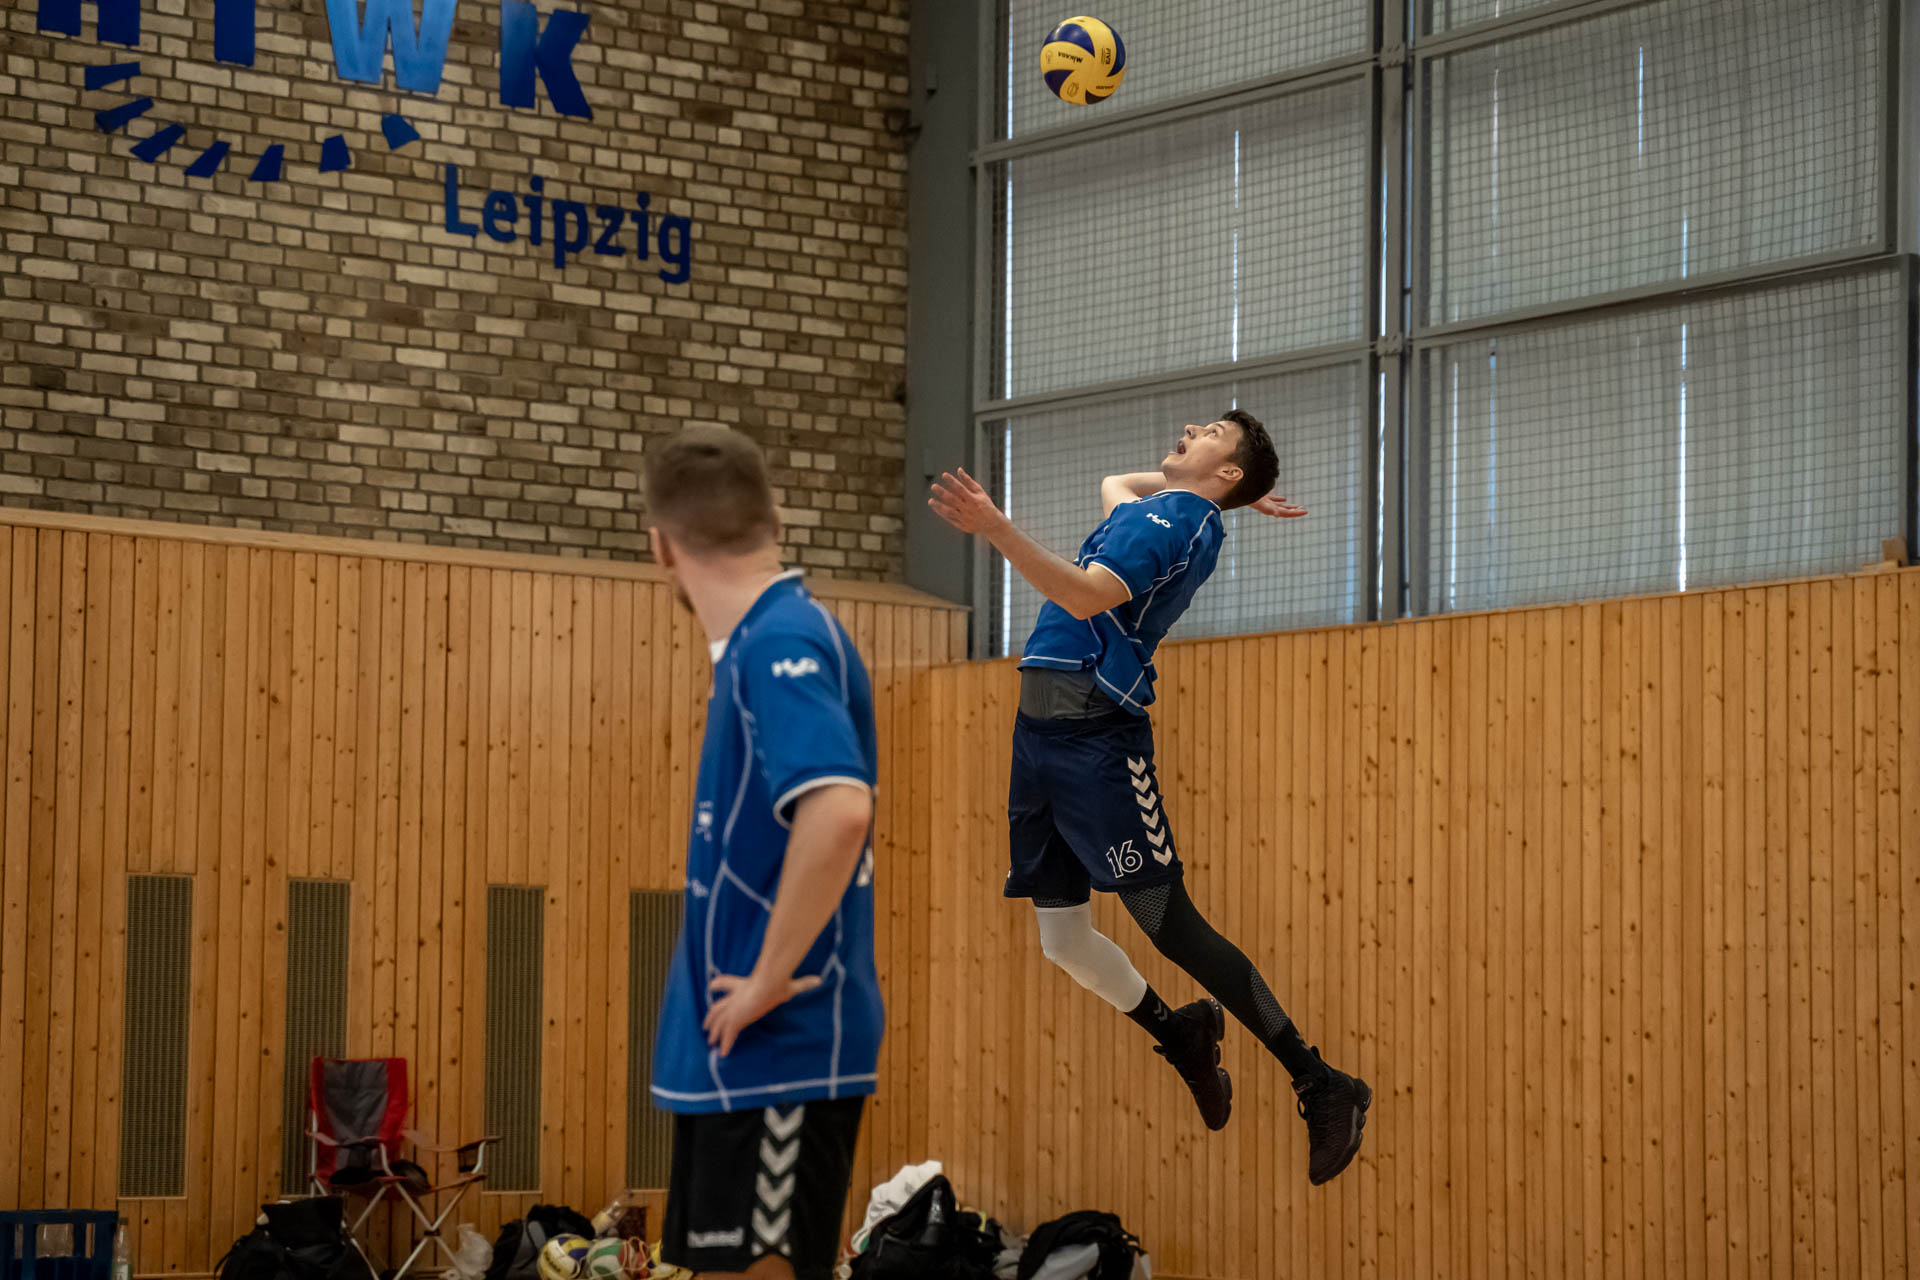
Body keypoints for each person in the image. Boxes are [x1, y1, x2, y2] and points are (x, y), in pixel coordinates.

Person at [928, 409, 1372, 1186]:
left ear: (1226, 470)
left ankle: (1321, 1080)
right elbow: (1117, 482)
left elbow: (1084, 597)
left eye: (1212, 433)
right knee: (1063, 942)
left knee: (1171, 926)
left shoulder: (1171, 520)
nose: (1192, 427)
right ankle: (1182, 1034)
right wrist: (1233, 494)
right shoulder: (1172, 512)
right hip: (1039, 740)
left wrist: (996, 527)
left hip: (1097, 741)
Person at [647, 426, 882, 1278]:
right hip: (739, 1057)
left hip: (782, 1048)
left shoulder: (780, 642)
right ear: (775, 520)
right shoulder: (758, 644)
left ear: (661, 547)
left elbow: (839, 808)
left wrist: (769, 976)